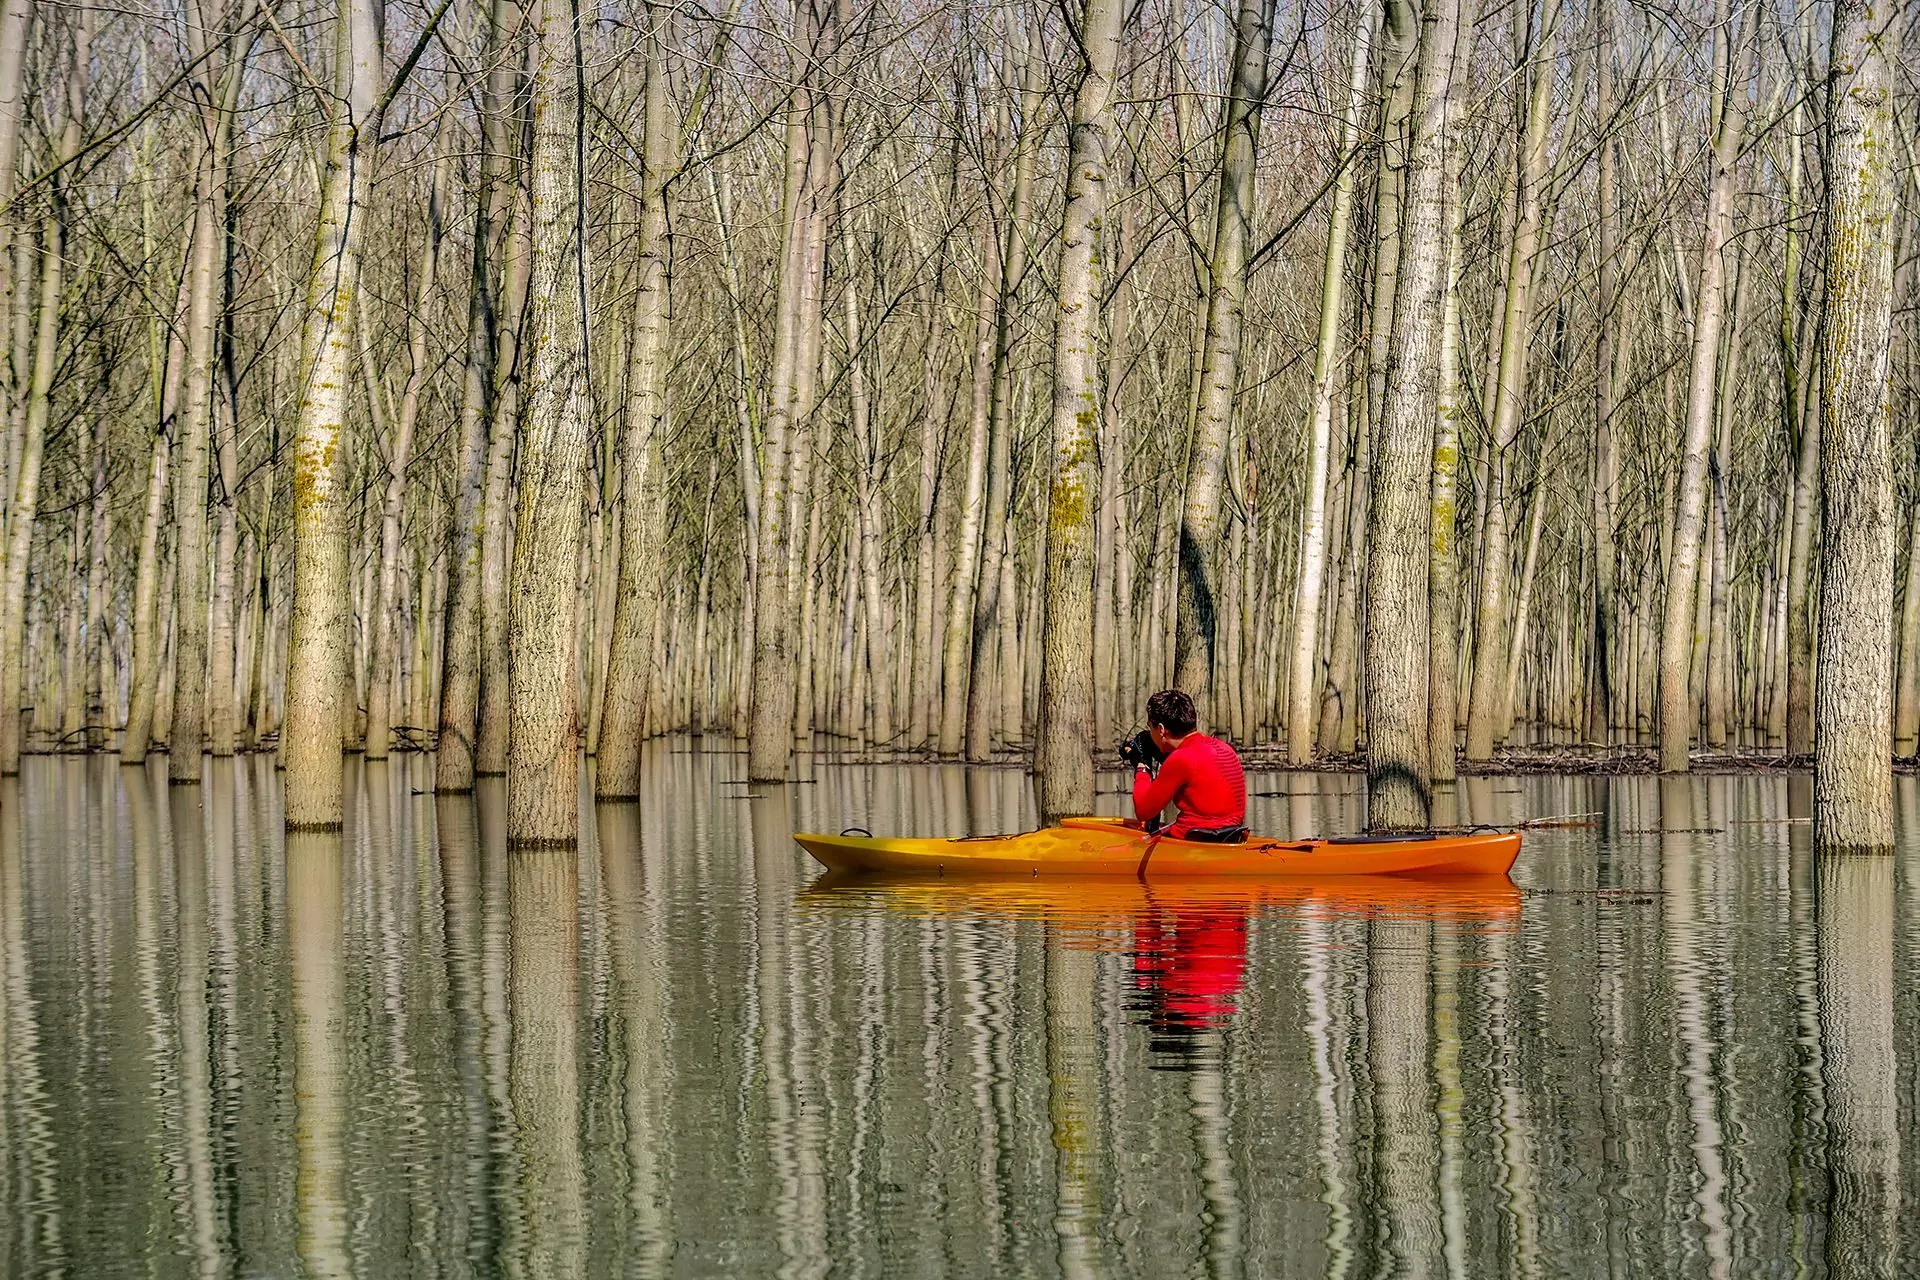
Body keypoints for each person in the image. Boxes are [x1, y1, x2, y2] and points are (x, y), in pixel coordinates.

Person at [1120, 689, 1247, 841]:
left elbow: (1143, 810)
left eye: (1150, 727)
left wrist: (1141, 767)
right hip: (1234, 836)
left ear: (1160, 729)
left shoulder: (1180, 758)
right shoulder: (1226, 749)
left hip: (1196, 840)